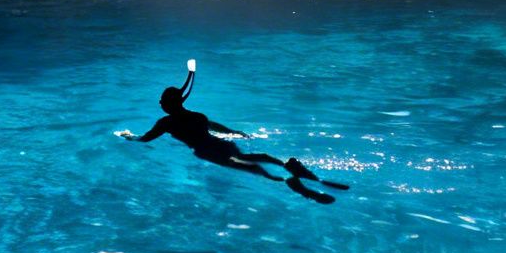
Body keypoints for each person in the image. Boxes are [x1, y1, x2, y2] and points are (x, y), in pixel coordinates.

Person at [118, 60, 349, 203]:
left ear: (168, 104)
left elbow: (145, 139)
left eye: (161, 100)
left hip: (206, 151)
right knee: (261, 157)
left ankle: (288, 184)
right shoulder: (197, 116)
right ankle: (304, 173)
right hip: (220, 143)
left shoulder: (166, 123)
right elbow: (215, 127)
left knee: (253, 168)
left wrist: (128, 136)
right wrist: (236, 132)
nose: (159, 103)